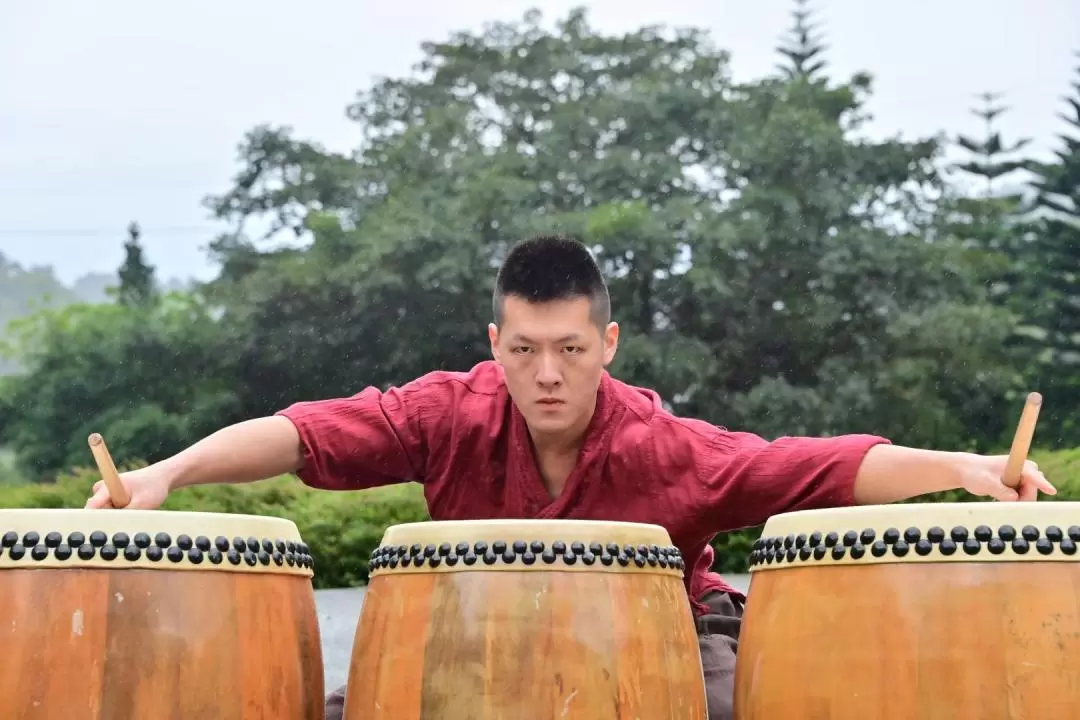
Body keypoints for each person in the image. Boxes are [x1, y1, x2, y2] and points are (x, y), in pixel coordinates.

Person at [85, 233, 1055, 720]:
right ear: (495, 342)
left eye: (572, 348)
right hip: (475, 642)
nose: (548, 375)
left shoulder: (659, 445)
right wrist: (168, 471)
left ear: (609, 342)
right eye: (527, 349)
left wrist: (961, 469)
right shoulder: (446, 411)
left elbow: (808, 466)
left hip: (672, 638)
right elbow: (301, 434)